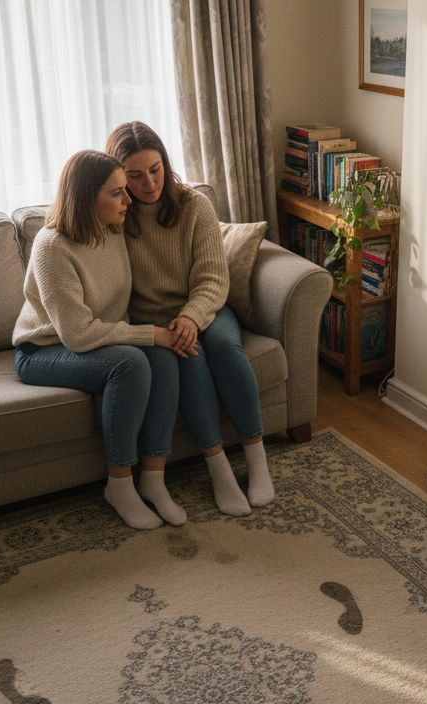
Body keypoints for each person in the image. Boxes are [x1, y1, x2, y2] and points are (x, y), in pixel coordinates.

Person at [11, 149, 191, 530]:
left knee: (163, 357)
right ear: (85, 198)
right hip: (43, 349)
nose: (129, 199)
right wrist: (150, 334)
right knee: (133, 362)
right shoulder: (51, 247)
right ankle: (120, 484)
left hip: (100, 340)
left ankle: (154, 478)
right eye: (117, 193)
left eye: (125, 189)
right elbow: (77, 334)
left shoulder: (113, 228)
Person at [106, 121, 274, 516]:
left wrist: (191, 318)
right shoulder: (115, 216)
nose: (149, 183)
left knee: (223, 346)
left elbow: (214, 278)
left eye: (155, 169)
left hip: (204, 307)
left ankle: (257, 462)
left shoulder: (195, 205)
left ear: (165, 163)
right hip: (155, 324)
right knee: (190, 356)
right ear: (119, 177)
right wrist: (164, 329)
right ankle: (218, 469)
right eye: (135, 175)